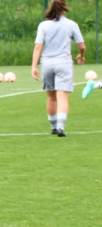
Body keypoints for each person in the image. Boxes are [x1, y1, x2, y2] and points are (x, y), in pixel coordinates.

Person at [31, 0, 85, 137]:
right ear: (64, 7)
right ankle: (61, 127)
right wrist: (81, 55)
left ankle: (53, 127)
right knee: (62, 97)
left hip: (47, 64)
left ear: (50, 7)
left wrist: (34, 66)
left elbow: (38, 46)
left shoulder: (43, 25)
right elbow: (82, 46)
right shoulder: (71, 24)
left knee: (51, 97)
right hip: (64, 63)